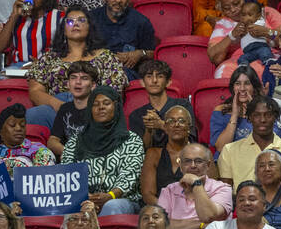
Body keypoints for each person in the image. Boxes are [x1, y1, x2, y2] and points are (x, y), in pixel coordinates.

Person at [24, 9, 127, 131]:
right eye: (70, 21)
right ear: (63, 29)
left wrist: (85, 107)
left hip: (93, 108)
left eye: (81, 20)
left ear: (90, 27)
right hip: (56, 106)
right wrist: (58, 105)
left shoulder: (106, 57)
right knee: (30, 115)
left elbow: (113, 93)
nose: (76, 24)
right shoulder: (49, 57)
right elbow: (35, 91)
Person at [61, 86, 144, 216]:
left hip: (120, 199)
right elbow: (67, 173)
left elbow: (130, 175)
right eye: (95, 104)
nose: (101, 107)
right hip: (83, 198)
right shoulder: (75, 141)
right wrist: (85, 197)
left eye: (106, 103)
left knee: (112, 206)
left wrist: (110, 196)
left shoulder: (131, 139)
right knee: (73, 205)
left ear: (116, 107)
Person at [155, 142, 233, 229]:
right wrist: (201, 224)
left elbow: (208, 215)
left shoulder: (222, 188)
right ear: (181, 165)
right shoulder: (169, 190)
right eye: (187, 161)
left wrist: (197, 184)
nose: (193, 166)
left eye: (198, 161)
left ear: (208, 165)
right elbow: (161, 226)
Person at [217, 96, 281, 187]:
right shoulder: (229, 150)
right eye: (256, 115)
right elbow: (225, 192)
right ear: (250, 118)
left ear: (275, 118)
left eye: (268, 115)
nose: (262, 120)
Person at [90, 0, 154, 81]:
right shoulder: (91, 19)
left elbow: (152, 53)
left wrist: (140, 53)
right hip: (94, 69)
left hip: (127, 73)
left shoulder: (141, 22)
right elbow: (80, 49)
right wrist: (111, 58)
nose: (118, 0)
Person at [0, 0, 60, 67]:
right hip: (18, 68)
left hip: (46, 68)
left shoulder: (58, 17)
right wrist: (14, 15)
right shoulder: (17, 18)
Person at [128, 63, 191, 151]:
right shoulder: (136, 115)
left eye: (160, 76)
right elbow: (139, 151)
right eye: (149, 76)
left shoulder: (183, 105)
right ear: (142, 82)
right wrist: (148, 130)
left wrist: (161, 125)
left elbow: (190, 140)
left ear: (168, 82)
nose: (154, 80)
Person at [47, 61, 99, 159]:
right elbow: (52, 141)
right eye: (73, 78)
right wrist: (69, 152)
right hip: (70, 163)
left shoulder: (99, 110)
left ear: (93, 86)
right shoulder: (65, 109)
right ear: (68, 84)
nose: (78, 82)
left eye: (84, 78)